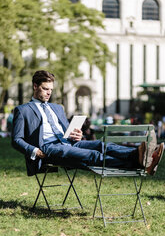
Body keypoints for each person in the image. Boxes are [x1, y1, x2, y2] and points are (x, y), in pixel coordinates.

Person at [12, 70, 164, 176]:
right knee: (92, 155)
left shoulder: (57, 108)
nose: (49, 93)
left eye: (51, 89)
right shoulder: (23, 110)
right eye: (45, 89)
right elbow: (16, 140)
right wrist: (35, 151)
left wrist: (76, 134)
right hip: (48, 148)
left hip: (68, 142)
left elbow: (67, 131)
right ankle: (142, 159)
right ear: (35, 86)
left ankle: (140, 157)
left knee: (103, 145)